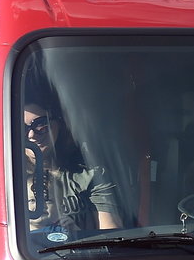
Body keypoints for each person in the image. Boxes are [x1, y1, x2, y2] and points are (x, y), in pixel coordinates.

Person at [22, 100, 120, 237]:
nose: (31, 135)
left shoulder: (91, 175)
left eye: (41, 125)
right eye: (23, 128)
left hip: (82, 256)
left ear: (58, 124)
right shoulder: (4, 176)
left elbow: (110, 233)